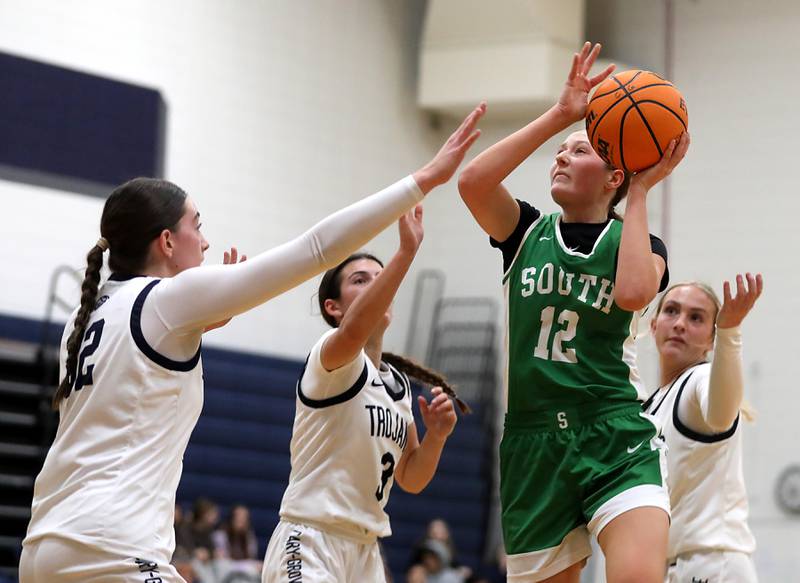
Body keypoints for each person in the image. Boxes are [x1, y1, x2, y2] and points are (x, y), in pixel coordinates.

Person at [18, 103, 485, 583]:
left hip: (45, 544)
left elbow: (136, 383)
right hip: (110, 547)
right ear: (166, 242)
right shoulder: (168, 298)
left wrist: (200, 324)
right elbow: (315, 249)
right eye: (196, 225)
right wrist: (424, 178)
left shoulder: (88, 311)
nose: (204, 240)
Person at [457, 42, 690, 582]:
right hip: (533, 443)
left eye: (578, 151)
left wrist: (640, 190)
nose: (560, 157)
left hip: (612, 430)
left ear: (613, 177)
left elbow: (633, 294)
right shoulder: (525, 233)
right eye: (561, 151)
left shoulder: (639, 243)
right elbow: (472, 183)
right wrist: (562, 114)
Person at [261, 206, 467, 582]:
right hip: (310, 539)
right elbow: (354, 333)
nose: (376, 285)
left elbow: (411, 477)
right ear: (333, 308)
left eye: (380, 277)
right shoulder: (331, 358)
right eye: (361, 280)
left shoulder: (398, 385)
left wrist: (437, 437)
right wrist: (404, 254)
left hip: (365, 548)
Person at [644, 275, 763, 582]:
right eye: (671, 311)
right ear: (653, 325)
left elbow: (722, 414)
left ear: (711, 340)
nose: (680, 323)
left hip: (713, 563)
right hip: (671, 568)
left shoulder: (699, 380)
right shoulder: (648, 406)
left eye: (696, 318)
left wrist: (729, 331)